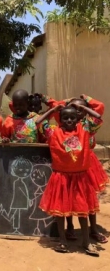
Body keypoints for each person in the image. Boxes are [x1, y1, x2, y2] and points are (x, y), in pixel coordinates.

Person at [36, 104, 102, 256]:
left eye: (73, 117)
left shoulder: (84, 129)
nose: (69, 120)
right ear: (60, 119)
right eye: (65, 117)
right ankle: (63, 241)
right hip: (61, 177)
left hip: (80, 177)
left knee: (83, 211)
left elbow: (98, 118)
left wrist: (82, 109)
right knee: (60, 212)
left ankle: (86, 242)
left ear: (78, 118)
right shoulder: (53, 132)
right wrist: (52, 111)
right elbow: (39, 122)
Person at [64, 95, 108, 243]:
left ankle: (93, 230)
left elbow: (99, 113)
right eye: (74, 108)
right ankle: (69, 227)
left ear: (86, 111)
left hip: (87, 165)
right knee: (68, 197)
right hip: (69, 165)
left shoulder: (88, 125)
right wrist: (68, 103)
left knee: (88, 198)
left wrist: (85, 101)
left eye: (80, 109)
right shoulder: (65, 123)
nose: (77, 112)